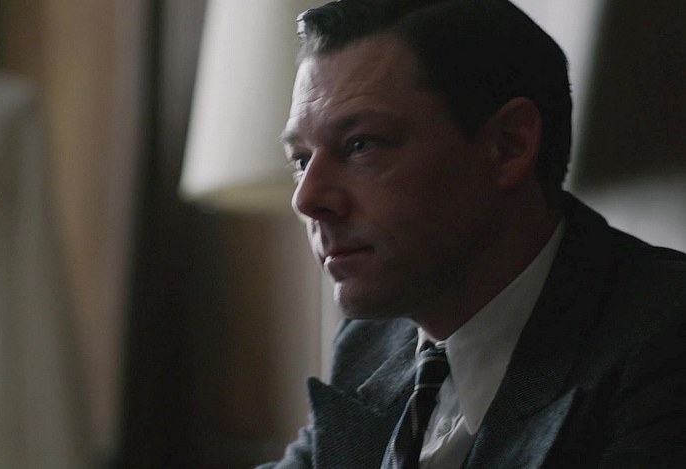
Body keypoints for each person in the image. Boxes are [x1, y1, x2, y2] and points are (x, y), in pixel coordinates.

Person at [260, 0, 686, 467]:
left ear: (509, 146)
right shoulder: (373, 339)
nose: (307, 199)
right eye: (302, 160)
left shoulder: (663, 342)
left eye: (361, 145)